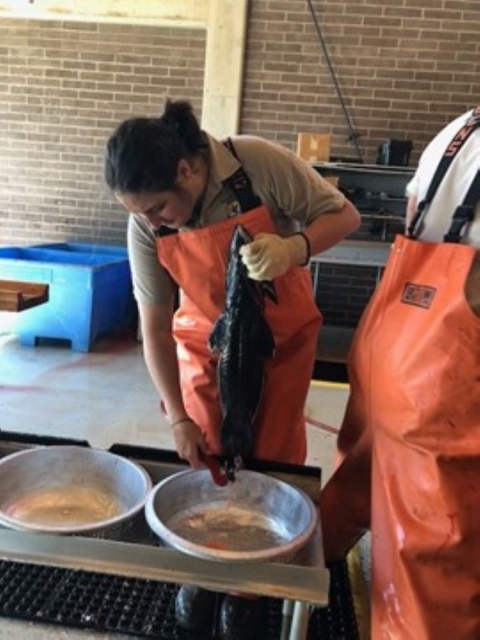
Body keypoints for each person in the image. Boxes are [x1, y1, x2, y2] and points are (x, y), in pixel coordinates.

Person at [104, 98, 361, 638]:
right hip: (204, 349)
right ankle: (202, 569)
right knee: (206, 460)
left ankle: (248, 587)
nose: (149, 222)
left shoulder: (255, 164)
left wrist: (296, 246)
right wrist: (177, 416)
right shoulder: (145, 226)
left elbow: (344, 215)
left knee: (270, 462)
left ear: (184, 171)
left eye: (155, 209)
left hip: (280, 346)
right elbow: (152, 325)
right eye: (138, 213)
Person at [320, 106, 480, 640]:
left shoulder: (459, 128)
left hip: (393, 351)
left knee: (374, 490)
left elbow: (415, 208)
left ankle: (320, 573)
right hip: (444, 376)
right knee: (438, 554)